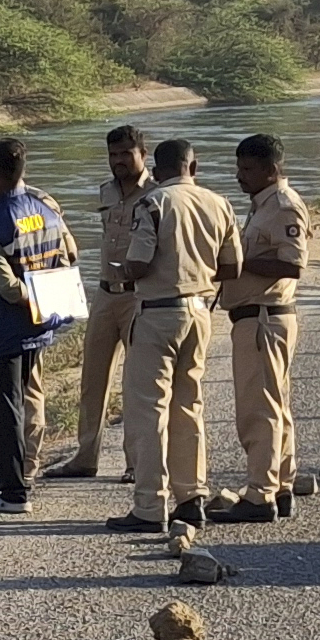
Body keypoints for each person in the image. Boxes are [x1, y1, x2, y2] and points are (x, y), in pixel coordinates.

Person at [108, 132, 239, 533]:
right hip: (200, 312)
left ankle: (149, 506)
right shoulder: (219, 203)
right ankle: (191, 498)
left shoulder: (153, 202)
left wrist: (124, 273)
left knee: (149, 411)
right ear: (193, 168)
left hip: (157, 314)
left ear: (156, 170)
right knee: (189, 406)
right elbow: (232, 267)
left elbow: (139, 263)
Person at [0, 136, 79, 511]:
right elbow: (70, 255)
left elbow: (8, 288)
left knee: (5, 409)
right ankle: (6, 476)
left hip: (1, 330)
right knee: (24, 401)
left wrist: (29, 292)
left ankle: (14, 493)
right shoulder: (47, 209)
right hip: (39, 327)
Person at [45, 123, 148, 477]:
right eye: (113, 155)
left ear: (142, 155)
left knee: (136, 382)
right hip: (105, 295)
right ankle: (85, 457)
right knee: (92, 380)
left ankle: (136, 462)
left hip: (139, 297)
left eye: (126, 154)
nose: (119, 161)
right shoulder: (105, 192)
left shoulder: (156, 194)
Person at [221, 131, 307, 520]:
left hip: (263, 318)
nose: (241, 176)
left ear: (272, 170)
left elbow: (293, 264)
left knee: (260, 411)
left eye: (248, 169)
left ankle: (260, 494)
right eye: (238, 168)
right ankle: (282, 485)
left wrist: (237, 264)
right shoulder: (261, 205)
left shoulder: (283, 206)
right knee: (275, 406)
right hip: (259, 317)